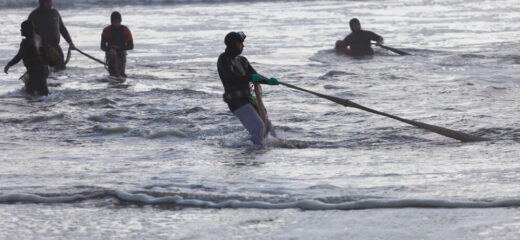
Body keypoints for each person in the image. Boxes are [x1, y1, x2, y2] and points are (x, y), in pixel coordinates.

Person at [217, 31, 279, 145]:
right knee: (259, 128)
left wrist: (268, 81)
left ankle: (268, 153)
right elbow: (231, 78)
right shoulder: (223, 59)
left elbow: (256, 75)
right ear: (232, 44)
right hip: (236, 101)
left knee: (269, 128)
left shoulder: (242, 60)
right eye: (240, 43)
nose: (243, 46)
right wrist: (250, 77)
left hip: (248, 99)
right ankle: (249, 153)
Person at [4, 21, 50, 96]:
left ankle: (36, 106)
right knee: (43, 93)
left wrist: (8, 65)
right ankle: (42, 106)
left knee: (31, 94)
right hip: (42, 69)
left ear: (27, 29)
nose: (21, 30)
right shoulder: (38, 37)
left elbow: (19, 56)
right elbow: (43, 52)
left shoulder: (26, 42)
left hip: (35, 71)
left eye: (22, 28)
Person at [28, 0, 75, 70]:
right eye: (48, 2)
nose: (51, 4)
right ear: (42, 3)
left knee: (61, 70)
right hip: (42, 49)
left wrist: (70, 42)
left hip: (56, 47)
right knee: (45, 73)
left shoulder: (55, 13)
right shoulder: (34, 15)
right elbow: (28, 32)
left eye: (51, 1)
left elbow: (62, 28)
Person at [101, 11, 134, 78]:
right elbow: (102, 46)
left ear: (120, 21)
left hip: (121, 54)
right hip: (111, 54)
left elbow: (131, 46)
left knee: (121, 74)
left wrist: (119, 48)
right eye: (114, 21)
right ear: (111, 21)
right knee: (113, 73)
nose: (116, 23)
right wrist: (110, 49)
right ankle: (113, 79)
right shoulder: (106, 30)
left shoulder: (125, 30)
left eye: (118, 21)